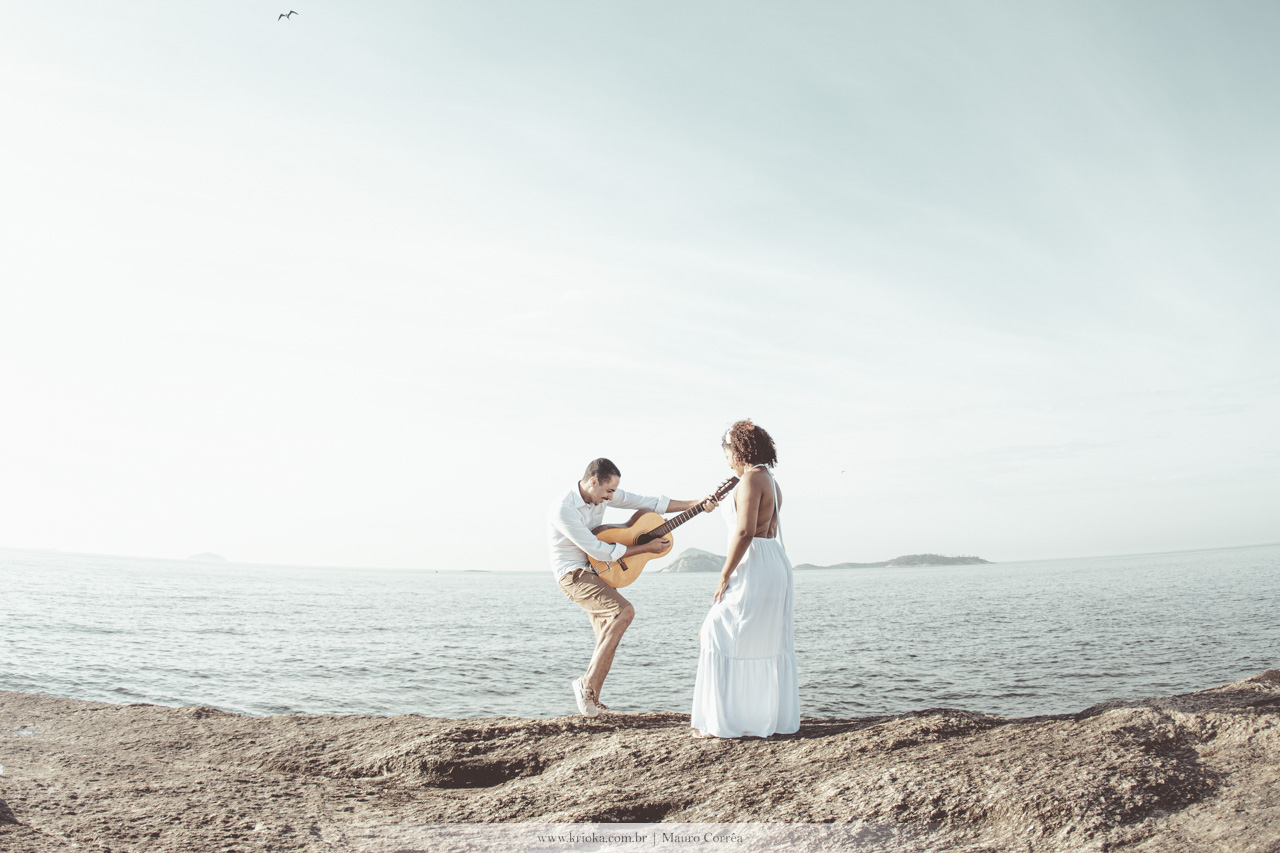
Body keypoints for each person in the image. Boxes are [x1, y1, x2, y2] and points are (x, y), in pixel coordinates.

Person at [550, 457, 718, 718]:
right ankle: (584, 685)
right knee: (624, 612)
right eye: (608, 491)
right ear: (593, 481)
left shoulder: (603, 493)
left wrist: (696, 503)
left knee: (607, 636)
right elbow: (598, 549)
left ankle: (592, 701)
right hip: (574, 574)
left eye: (614, 492)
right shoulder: (564, 508)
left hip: (599, 572)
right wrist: (646, 548)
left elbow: (649, 503)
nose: (611, 497)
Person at [691, 419, 800, 738]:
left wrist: (724, 575)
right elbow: (770, 529)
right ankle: (757, 717)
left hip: (753, 562)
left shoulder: (752, 480)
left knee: (716, 632)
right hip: (772, 560)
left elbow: (745, 530)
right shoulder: (770, 480)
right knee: (760, 638)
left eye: (727, 455)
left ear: (738, 451)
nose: (727, 462)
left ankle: (726, 721)